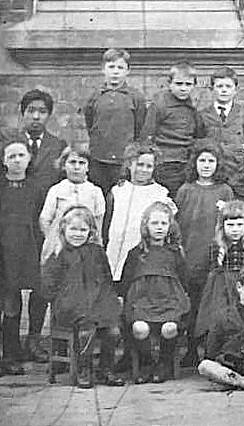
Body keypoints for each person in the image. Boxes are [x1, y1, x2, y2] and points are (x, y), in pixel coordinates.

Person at [41, 205, 122, 388]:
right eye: (73, 229)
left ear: (90, 231)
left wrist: (107, 300)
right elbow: (48, 286)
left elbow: (106, 278)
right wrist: (64, 298)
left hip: (97, 302)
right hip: (70, 306)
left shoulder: (97, 252)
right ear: (64, 229)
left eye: (83, 230)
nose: (78, 234)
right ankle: (83, 369)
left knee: (112, 329)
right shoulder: (58, 253)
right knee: (87, 325)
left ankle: (106, 369)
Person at [121, 202, 191, 384]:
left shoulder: (175, 253)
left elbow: (184, 281)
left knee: (169, 328)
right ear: (146, 225)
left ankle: (164, 364)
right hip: (142, 303)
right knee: (140, 328)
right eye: (154, 223)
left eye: (163, 223)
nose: (159, 227)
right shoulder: (136, 253)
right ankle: (146, 363)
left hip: (169, 303)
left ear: (170, 226)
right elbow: (126, 282)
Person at [176, 144, 234, 359]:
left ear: (218, 164)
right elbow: (178, 224)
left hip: (216, 258)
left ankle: (212, 351)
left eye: (211, 161)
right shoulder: (185, 190)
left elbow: (232, 222)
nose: (206, 165)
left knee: (213, 304)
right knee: (192, 304)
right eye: (202, 161)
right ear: (194, 163)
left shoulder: (225, 191)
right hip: (191, 255)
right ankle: (191, 350)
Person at [193, 201, 244, 348]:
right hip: (221, 289)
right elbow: (203, 271)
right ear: (222, 226)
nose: (235, 230)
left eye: (239, 225)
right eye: (230, 225)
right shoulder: (216, 245)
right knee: (219, 318)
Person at [103, 144, 175, 293]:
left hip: (140, 255)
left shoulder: (160, 194)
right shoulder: (118, 190)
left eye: (149, 166)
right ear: (130, 164)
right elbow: (107, 222)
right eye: (140, 164)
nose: (143, 170)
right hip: (113, 250)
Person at [0, 141, 43, 373]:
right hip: (3, 253)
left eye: (21, 155)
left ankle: (21, 351)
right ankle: (9, 356)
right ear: (4, 161)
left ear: (29, 158)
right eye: (11, 156)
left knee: (27, 298)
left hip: (28, 249)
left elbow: (41, 219)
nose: (16, 160)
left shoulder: (36, 188)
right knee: (9, 304)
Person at [83, 48, 147, 193]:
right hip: (99, 158)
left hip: (123, 160)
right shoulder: (95, 96)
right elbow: (90, 123)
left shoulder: (136, 97)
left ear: (128, 71)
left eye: (120, 68)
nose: (115, 72)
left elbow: (139, 126)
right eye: (111, 67)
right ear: (103, 69)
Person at [140, 61, 206, 197]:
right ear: (170, 83)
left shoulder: (192, 108)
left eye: (188, 84)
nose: (183, 88)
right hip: (165, 162)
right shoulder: (160, 104)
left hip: (186, 163)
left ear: (194, 85)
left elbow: (198, 134)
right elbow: (147, 135)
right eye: (179, 84)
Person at [39, 145, 106, 263]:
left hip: (86, 245)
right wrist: (54, 240)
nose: (76, 167)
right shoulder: (56, 190)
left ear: (88, 167)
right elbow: (45, 220)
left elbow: (98, 223)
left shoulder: (95, 191)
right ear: (64, 165)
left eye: (82, 163)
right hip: (60, 247)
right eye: (72, 162)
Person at [0, 89, 67, 197]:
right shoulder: (10, 144)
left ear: (49, 115)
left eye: (42, 112)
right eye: (31, 111)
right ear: (23, 113)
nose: (36, 116)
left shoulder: (58, 146)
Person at [199, 66, 244, 186]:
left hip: (238, 173)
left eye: (228, 86)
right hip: (213, 174)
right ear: (212, 89)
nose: (224, 90)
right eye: (219, 86)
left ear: (235, 90)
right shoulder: (202, 115)